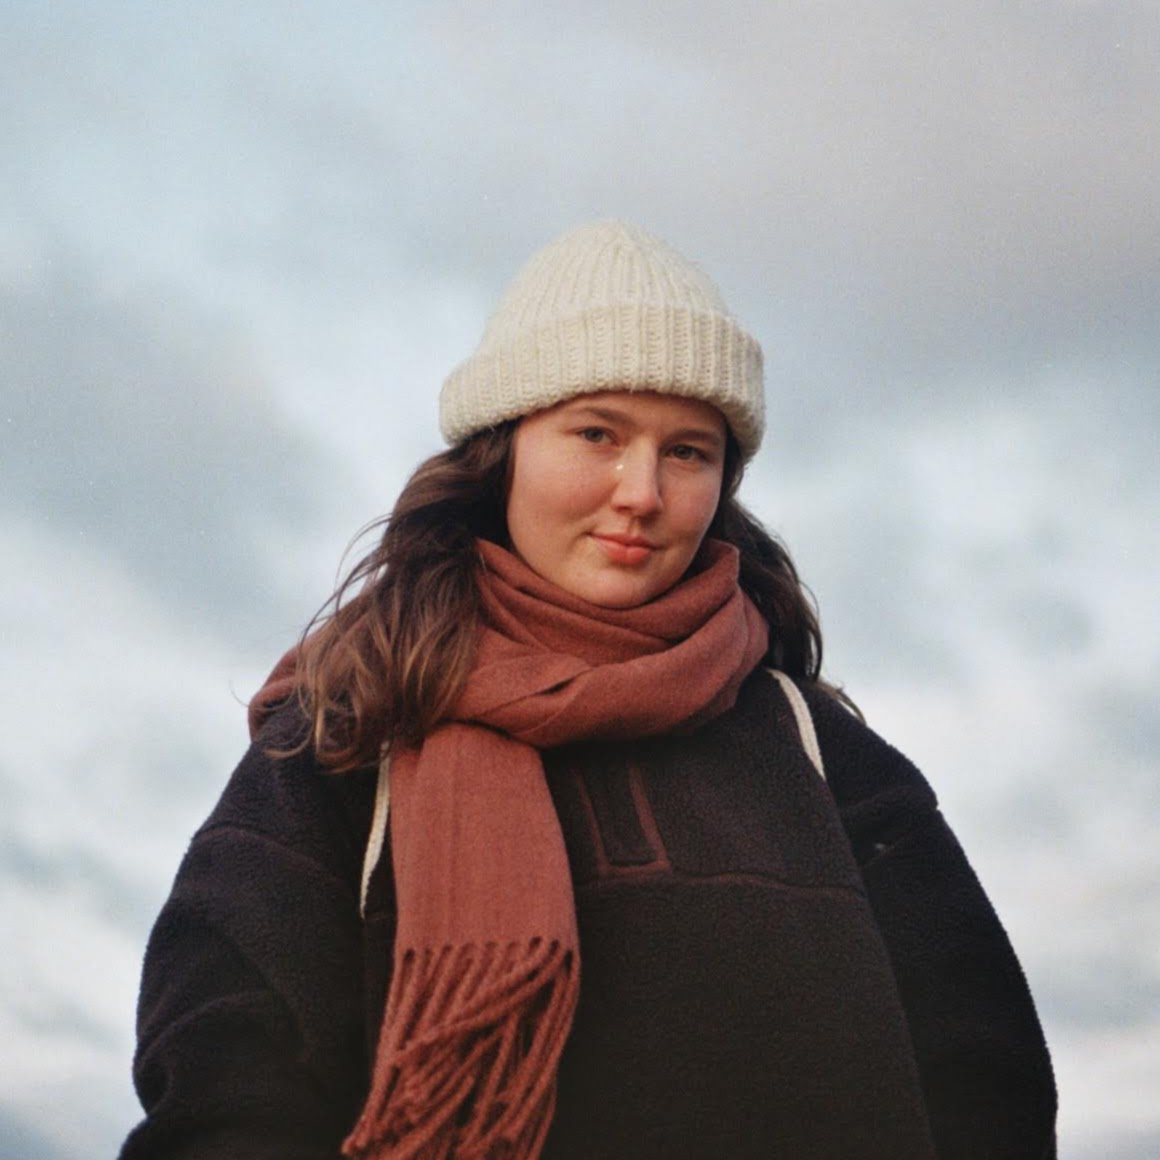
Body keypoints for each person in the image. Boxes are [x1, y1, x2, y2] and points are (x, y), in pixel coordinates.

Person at [121, 220, 1057, 1160]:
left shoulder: (820, 752)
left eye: (687, 451)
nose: (642, 491)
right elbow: (224, 1079)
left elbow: (985, 1078)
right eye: (598, 434)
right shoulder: (348, 731)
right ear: (505, 448)